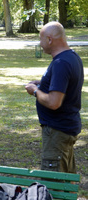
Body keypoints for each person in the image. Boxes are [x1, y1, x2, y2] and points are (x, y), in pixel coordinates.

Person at [25, 22, 84, 173]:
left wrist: (35, 91)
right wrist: (42, 83)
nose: (40, 43)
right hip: (66, 129)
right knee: (66, 180)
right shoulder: (72, 57)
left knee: (53, 183)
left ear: (50, 40)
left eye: (41, 39)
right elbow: (65, 85)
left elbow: (54, 102)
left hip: (57, 133)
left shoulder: (61, 63)